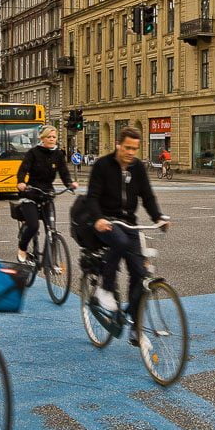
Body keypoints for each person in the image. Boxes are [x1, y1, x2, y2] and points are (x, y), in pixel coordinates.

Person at [86, 127, 168, 346]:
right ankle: (105, 289)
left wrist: (158, 217)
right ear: (118, 145)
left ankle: (135, 326)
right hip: (105, 222)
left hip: (129, 223)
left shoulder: (138, 168)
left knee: (141, 275)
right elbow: (92, 196)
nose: (131, 152)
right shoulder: (102, 166)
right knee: (119, 242)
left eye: (135, 149)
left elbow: (147, 196)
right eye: (128, 147)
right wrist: (98, 218)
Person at [16, 125, 77, 263]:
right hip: (31, 194)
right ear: (42, 138)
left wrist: (69, 184)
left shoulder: (58, 154)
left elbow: (63, 172)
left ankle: (50, 260)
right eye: (49, 137)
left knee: (51, 228)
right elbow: (23, 169)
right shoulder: (33, 153)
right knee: (33, 226)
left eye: (54, 137)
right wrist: (21, 182)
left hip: (47, 195)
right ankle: (22, 247)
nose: (52, 139)